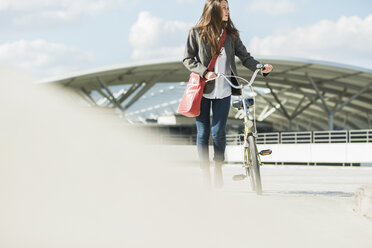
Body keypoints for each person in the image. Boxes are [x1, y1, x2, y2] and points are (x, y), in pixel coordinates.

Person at [182, 0, 273, 188]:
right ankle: (205, 171)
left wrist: (260, 67)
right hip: (203, 90)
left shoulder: (230, 35)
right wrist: (205, 72)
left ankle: (217, 166)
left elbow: (245, 56)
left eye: (228, 7)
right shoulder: (196, 33)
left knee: (218, 132)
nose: (227, 11)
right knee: (203, 132)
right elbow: (188, 59)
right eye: (223, 8)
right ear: (213, 10)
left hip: (224, 89)